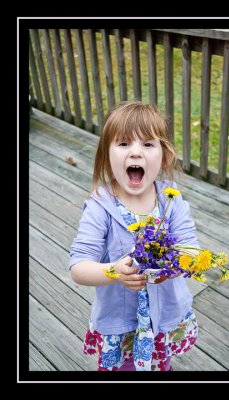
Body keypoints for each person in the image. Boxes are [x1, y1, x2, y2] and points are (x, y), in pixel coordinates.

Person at [69, 100, 199, 371]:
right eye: (124, 143)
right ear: (107, 155)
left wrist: (177, 264)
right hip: (121, 324)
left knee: (160, 367)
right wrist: (113, 270)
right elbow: (79, 267)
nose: (136, 153)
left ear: (164, 156)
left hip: (163, 318)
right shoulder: (100, 206)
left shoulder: (170, 199)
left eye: (148, 144)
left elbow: (191, 249)